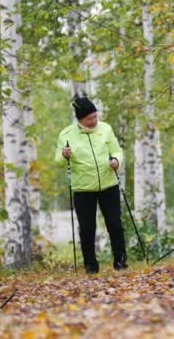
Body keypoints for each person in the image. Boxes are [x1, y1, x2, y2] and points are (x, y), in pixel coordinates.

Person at [54, 97, 127, 274]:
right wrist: (64, 155)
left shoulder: (106, 129)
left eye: (95, 117)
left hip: (108, 185)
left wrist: (116, 160)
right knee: (87, 229)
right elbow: (57, 161)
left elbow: (117, 150)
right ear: (80, 119)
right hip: (83, 189)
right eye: (90, 118)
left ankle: (121, 262)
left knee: (115, 224)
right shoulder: (66, 135)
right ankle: (91, 267)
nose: (94, 121)